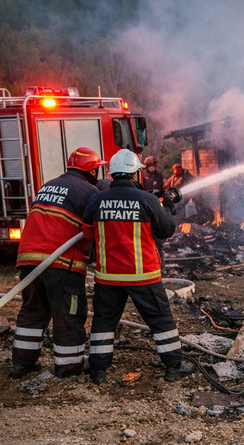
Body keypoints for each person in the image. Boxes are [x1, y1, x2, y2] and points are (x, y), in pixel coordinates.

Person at [81, 149, 194, 384]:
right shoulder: (148, 200)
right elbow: (166, 231)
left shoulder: (96, 200)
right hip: (143, 276)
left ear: (111, 175)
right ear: (135, 175)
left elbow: (87, 234)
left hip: (108, 277)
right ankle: (173, 367)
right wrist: (165, 207)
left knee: (103, 322)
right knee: (161, 321)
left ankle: (98, 371)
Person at [10, 147, 106, 379]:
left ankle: (21, 363)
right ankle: (69, 365)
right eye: (97, 170)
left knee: (33, 309)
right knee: (68, 312)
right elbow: (91, 232)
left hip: (28, 260)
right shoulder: (88, 191)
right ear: (92, 171)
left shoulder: (49, 185)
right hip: (60, 262)